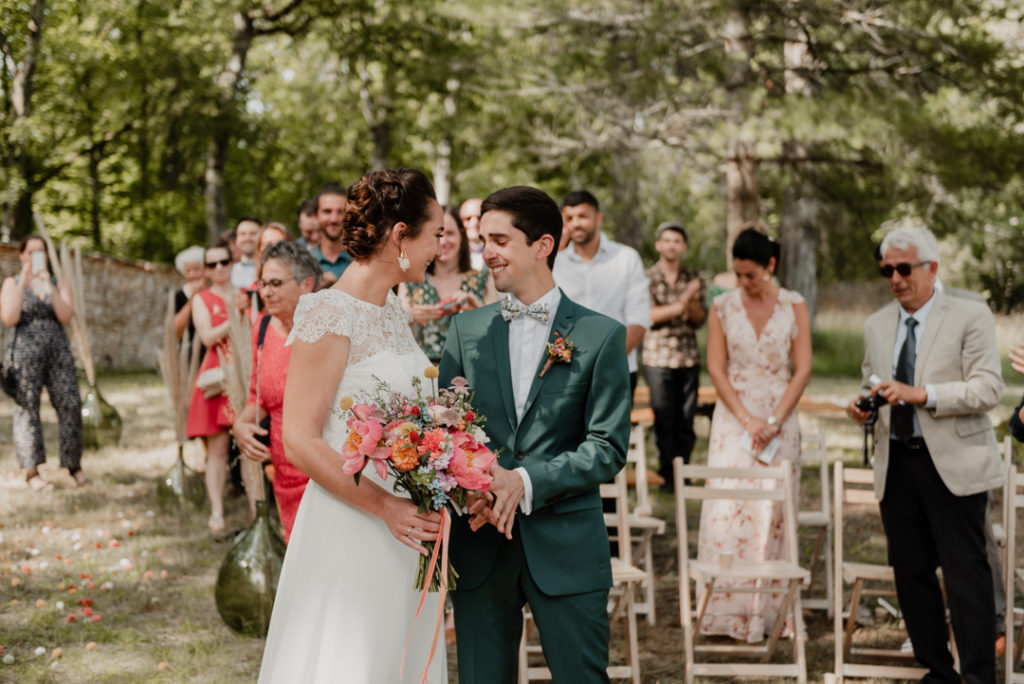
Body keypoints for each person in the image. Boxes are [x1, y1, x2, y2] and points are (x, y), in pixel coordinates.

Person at [258, 168, 446, 683]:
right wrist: (385, 506)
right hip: (355, 518)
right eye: (436, 234)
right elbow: (299, 438)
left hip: (407, 522)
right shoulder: (326, 313)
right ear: (400, 236)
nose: (441, 247)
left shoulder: (391, 311)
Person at [439, 185, 631, 683]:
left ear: (543, 245)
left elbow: (607, 447)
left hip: (567, 543)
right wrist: (474, 488)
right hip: (481, 545)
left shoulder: (601, 335)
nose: (486, 253)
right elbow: (446, 434)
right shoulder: (465, 332)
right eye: (482, 240)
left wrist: (523, 481)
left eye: (499, 240)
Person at [847, 225, 1003, 684]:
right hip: (896, 467)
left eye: (902, 268)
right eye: (886, 270)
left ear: (931, 268)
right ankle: (938, 673)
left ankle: (978, 677)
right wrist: (863, 407)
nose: (894, 279)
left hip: (953, 466)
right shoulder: (876, 324)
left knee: (966, 580)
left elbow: (988, 388)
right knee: (911, 576)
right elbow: (869, 381)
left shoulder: (971, 313)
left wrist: (922, 394)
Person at [696, 227, 811, 642]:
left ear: (771, 266)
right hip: (734, 421)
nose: (743, 283)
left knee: (774, 511)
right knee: (730, 507)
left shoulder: (794, 305)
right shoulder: (722, 307)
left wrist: (775, 420)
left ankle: (771, 612)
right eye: (738, 274)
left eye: (751, 275)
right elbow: (716, 368)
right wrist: (748, 421)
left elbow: (803, 369)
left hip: (782, 419)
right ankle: (726, 611)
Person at [232, 241, 319, 542]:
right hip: (283, 476)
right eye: (263, 283)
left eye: (276, 284)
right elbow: (258, 396)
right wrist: (240, 425)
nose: (265, 292)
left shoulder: (324, 332)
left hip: (323, 477)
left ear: (306, 284)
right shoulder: (263, 326)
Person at [0, 236, 84, 490]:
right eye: (31, 252)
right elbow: (10, 318)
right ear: (22, 255)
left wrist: (48, 283)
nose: (36, 256)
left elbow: (66, 315)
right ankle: (32, 472)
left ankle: (73, 464)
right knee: (27, 409)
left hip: (57, 351)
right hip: (25, 352)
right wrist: (25, 280)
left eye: (41, 252)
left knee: (70, 402)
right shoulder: (12, 283)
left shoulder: (59, 283)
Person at [185, 240, 255, 532]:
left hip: (245, 371)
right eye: (212, 264)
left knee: (248, 446)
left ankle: (256, 509)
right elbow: (207, 337)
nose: (219, 269)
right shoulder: (202, 298)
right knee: (218, 448)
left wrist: (245, 310)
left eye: (223, 262)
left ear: (231, 262)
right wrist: (237, 316)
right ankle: (217, 510)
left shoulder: (245, 294)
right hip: (217, 375)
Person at [553, 189, 650, 396]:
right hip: (567, 373)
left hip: (616, 370)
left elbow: (639, 319)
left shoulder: (626, 258)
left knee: (613, 430)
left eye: (582, 216)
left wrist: (605, 362)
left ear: (598, 218)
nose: (576, 223)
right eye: (569, 218)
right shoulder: (555, 265)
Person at [643, 221, 707, 487]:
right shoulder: (646, 277)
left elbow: (698, 319)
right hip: (658, 358)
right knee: (664, 418)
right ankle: (667, 474)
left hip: (688, 357)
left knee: (686, 419)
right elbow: (649, 316)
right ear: (658, 245)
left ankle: (684, 471)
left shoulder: (692, 278)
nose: (671, 245)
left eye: (677, 241)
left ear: (684, 247)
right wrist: (682, 302)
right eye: (666, 240)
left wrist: (690, 303)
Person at [398, 205, 496, 363]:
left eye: (449, 233)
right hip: (422, 374)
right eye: (438, 234)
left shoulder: (483, 279)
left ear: (461, 235)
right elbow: (396, 338)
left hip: (470, 373)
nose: (443, 242)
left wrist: (477, 310)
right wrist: (410, 317)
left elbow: (498, 334)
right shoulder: (410, 280)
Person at [312, 181, 353, 284]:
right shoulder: (304, 262)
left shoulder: (362, 262)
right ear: (316, 216)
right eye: (327, 211)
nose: (334, 219)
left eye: (341, 212)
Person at [172, 246, 207, 344]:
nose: (192, 275)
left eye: (196, 269)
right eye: (188, 271)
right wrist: (194, 297)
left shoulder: (214, 292)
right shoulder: (179, 295)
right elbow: (176, 331)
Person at [230, 217, 262, 289]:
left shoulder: (271, 270)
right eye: (242, 234)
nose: (247, 238)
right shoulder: (227, 272)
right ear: (236, 240)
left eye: (253, 233)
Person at [459, 197, 485, 270]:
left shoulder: (500, 251)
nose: (474, 223)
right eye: (468, 218)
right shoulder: (451, 253)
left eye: (479, 218)